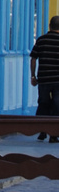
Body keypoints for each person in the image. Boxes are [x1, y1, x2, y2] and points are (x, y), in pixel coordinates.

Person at [30, 14, 59, 143]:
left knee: (43, 103)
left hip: (44, 79)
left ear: (49, 26)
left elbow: (34, 59)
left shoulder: (41, 40)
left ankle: (42, 131)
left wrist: (33, 76)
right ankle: (54, 135)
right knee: (57, 105)